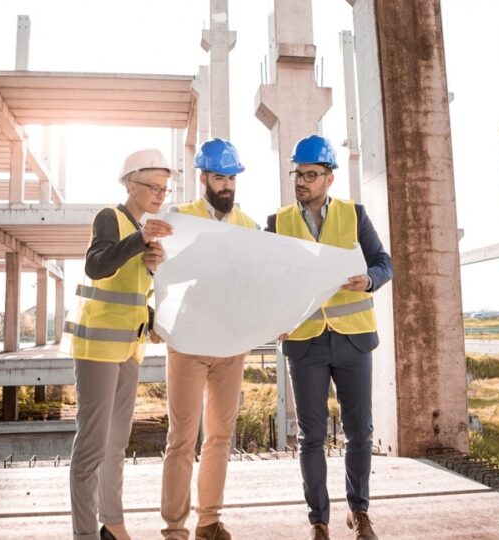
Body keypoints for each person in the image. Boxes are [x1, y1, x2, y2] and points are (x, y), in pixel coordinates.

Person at [266, 135, 393, 540]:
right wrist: (274, 318)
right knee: (312, 437)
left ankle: (359, 512)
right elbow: (266, 280)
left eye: (310, 174)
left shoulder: (354, 215)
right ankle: (318, 520)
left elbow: (384, 263)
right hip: (305, 343)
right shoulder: (277, 222)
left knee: (360, 431)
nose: (301, 181)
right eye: (297, 174)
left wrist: (369, 280)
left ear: (329, 178)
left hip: (353, 339)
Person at [66, 148, 174, 540]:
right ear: (130, 183)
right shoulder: (109, 217)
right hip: (97, 349)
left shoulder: (144, 230)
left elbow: (130, 293)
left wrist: (152, 313)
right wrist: (139, 240)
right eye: (153, 186)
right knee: (92, 447)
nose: (160, 194)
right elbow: (96, 266)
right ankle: (84, 534)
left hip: (129, 349)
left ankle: (112, 523)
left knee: (116, 443)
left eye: (165, 188)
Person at [161, 138, 258, 540]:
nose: (227, 186)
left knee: (219, 436)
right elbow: (160, 272)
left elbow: (258, 283)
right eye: (220, 177)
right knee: (182, 437)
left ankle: (208, 521)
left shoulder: (249, 226)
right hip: (187, 342)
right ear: (203, 177)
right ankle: (173, 527)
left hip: (231, 344)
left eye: (232, 178)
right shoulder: (179, 217)